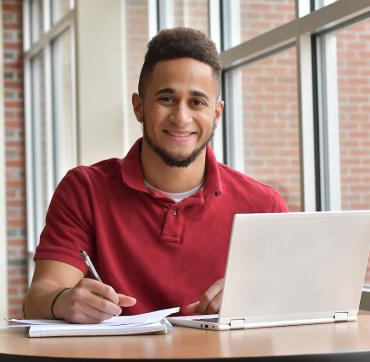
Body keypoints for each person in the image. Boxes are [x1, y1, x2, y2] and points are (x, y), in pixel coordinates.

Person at [23, 27, 288, 324]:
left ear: (216, 113)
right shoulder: (84, 189)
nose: (181, 117)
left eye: (197, 102)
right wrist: (63, 301)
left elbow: (292, 308)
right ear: (139, 107)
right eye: (167, 99)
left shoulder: (264, 205)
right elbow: (39, 297)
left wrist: (257, 299)